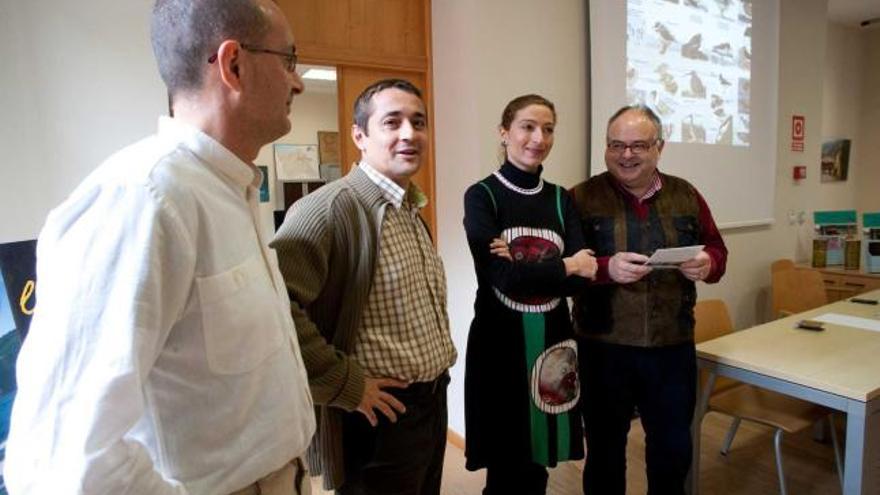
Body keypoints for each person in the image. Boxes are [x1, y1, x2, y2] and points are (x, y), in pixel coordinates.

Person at [3, 1, 316, 493]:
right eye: (289, 60)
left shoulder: (230, 189)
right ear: (234, 65)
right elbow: (61, 461)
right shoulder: (144, 198)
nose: (297, 83)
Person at [270, 78, 457, 494]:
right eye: (392, 122)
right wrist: (343, 384)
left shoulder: (408, 208)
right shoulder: (327, 210)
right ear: (359, 136)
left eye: (419, 122)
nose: (409, 133)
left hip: (431, 403)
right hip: (377, 417)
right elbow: (274, 307)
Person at [570, 104, 728, 494]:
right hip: (603, 348)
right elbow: (563, 270)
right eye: (616, 145)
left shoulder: (686, 195)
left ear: (660, 147)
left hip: (671, 348)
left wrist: (708, 262)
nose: (626, 155)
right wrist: (605, 268)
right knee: (605, 452)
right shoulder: (580, 198)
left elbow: (717, 250)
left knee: (672, 453)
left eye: (638, 145)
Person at [462, 94, 598, 494]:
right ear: (504, 133)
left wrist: (535, 271)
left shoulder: (560, 199)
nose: (539, 138)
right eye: (527, 127)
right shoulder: (482, 196)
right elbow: (503, 278)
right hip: (499, 344)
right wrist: (566, 264)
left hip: (552, 343)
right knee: (505, 462)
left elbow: (583, 278)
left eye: (548, 129)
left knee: (539, 457)